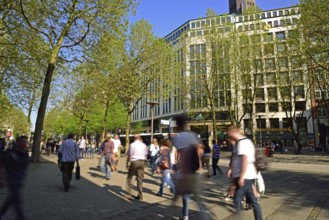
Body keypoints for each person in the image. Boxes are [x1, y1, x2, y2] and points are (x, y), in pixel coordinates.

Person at [227, 125, 263, 220]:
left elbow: (245, 160)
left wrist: (242, 177)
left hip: (245, 176)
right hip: (247, 175)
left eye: (229, 134)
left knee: (237, 199)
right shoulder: (244, 141)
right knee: (253, 202)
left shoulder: (242, 143)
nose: (229, 136)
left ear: (233, 133)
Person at [171, 115, 203, 220]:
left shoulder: (177, 138)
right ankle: (205, 215)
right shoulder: (192, 135)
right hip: (193, 171)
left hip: (184, 172)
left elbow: (179, 155)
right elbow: (200, 150)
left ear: (177, 126)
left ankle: (185, 216)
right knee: (196, 197)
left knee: (182, 195)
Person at [0, 136, 29, 220]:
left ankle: (1, 213)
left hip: (20, 179)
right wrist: (2, 178)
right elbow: (2, 165)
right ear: (17, 142)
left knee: (12, 198)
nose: (24, 143)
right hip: (11, 179)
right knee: (17, 200)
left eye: (25, 142)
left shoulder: (25, 153)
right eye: (22, 141)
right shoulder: (10, 153)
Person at [126, 134, 148, 200]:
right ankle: (140, 195)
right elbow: (146, 154)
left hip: (134, 161)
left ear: (134, 138)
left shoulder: (132, 145)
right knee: (139, 179)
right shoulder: (143, 145)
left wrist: (127, 163)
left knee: (129, 177)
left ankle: (129, 191)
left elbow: (130, 155)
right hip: (142, 162)